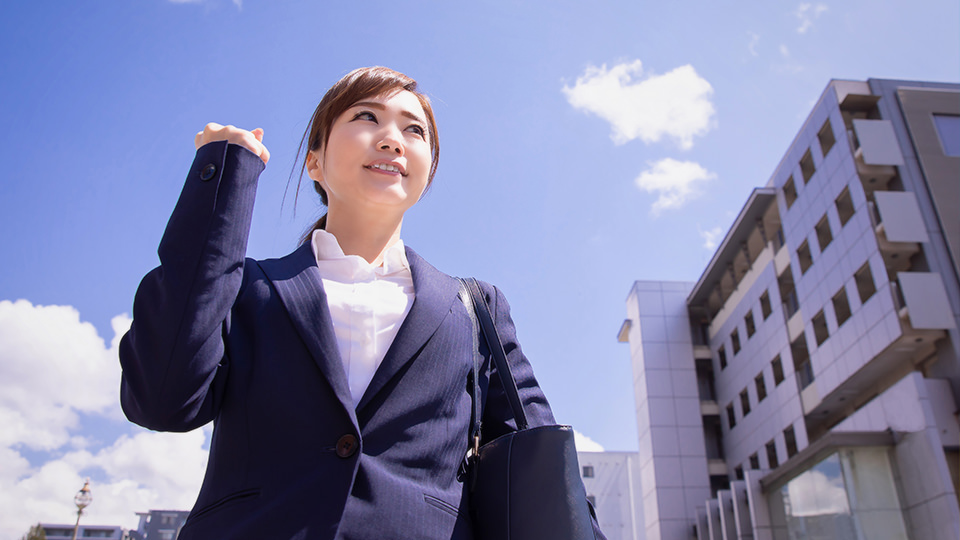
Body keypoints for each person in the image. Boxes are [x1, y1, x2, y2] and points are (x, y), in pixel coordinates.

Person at [119, 66, 603, 539]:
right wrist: (223, 179)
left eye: (414, 130)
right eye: (367, 117)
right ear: (314, 161)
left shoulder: (477, 309)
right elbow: (163, 401)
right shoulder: (246, 288)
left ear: (428, 167)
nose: (392, 138)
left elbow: (548, 474)